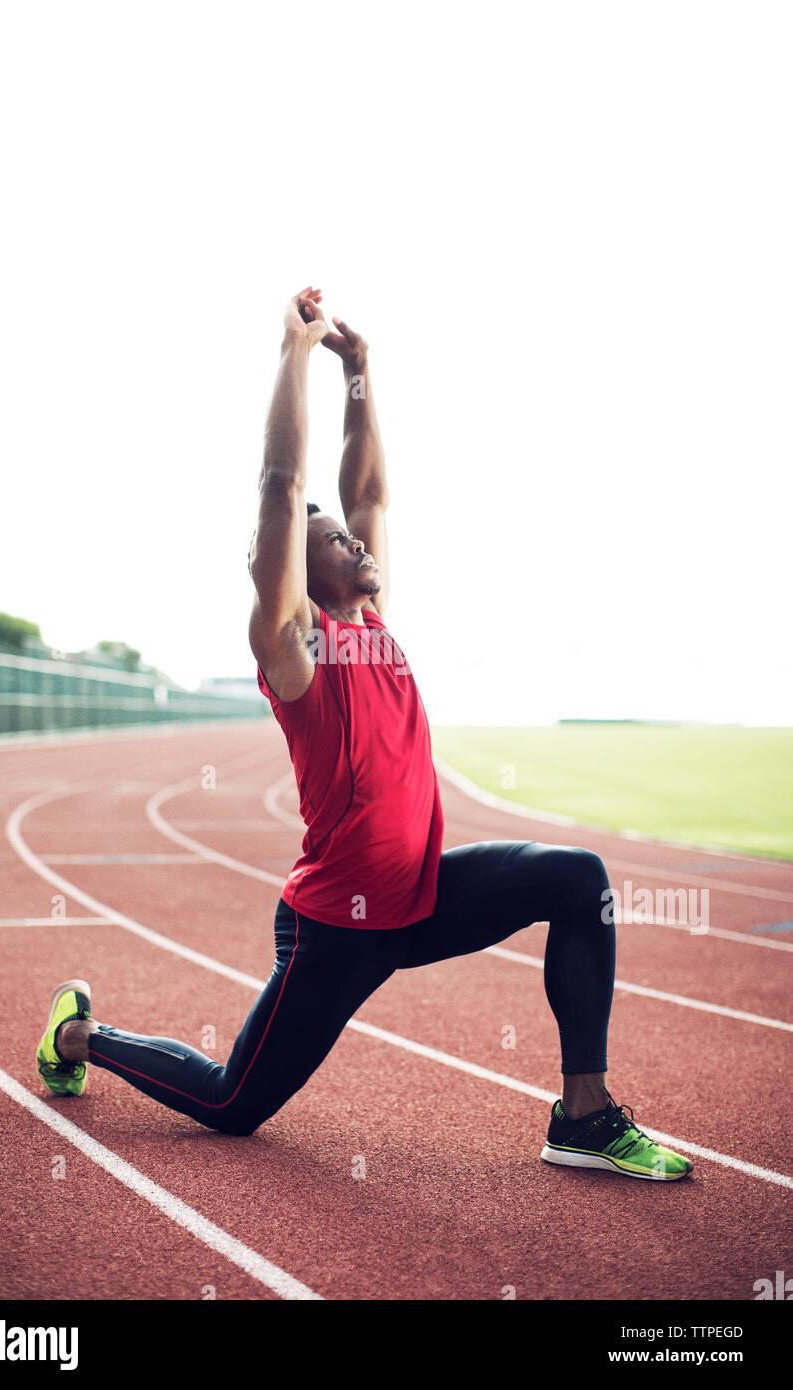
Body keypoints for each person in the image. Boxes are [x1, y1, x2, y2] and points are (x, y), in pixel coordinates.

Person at [36, 287, 693, 1182]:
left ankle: (583, 1116)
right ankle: (79, 1032)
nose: (356, 539)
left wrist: (361, 371)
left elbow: (370, 484)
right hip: (335, 929)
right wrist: (295, 353)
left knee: (578, 881)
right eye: (335, 539)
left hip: (418, 900)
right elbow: (282, 487)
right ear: (296, 574)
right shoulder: (295, 649)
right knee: (234, 1106)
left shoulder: (374, 620)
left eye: (352, 535)